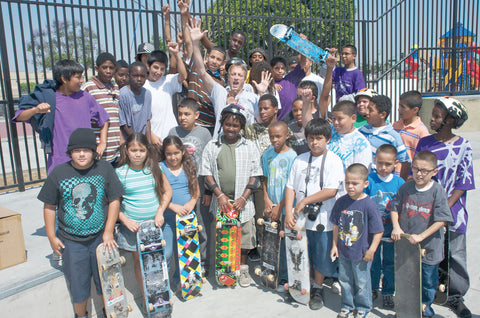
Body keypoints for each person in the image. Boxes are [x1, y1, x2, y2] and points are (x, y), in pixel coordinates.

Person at [37, 128, 124, 318]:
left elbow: (114, 200)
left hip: (101, 239)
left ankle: (109, 313)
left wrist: (108, 231)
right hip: (72, 242)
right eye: (77, 151)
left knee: (107, 282)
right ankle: (81, 315)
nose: (82, 154)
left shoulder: (104, 169)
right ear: (70, 152)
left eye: (86, 150)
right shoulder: (59, 173)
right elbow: (49, 206)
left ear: (94, 151)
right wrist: (52, 236)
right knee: (78, 286)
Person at [415, 97, 474, 318]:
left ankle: (456, 296)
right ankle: (425, 295)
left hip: (453, 212)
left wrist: (445, 208)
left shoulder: (463, 146)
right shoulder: (425, 143)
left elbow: (463, 182)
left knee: (455, 254)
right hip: (426, 210)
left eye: (437, 116)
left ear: (450, 120)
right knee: (428, 253)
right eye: (433, 114)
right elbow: (417, 175)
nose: (432, 119)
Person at [284, 118, 344, 310]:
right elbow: (290, 186)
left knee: (321, 256)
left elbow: (331, 190)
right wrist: (288, 212)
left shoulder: (334, 161)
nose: (314, 142)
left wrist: (304, 201)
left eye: (319, 138)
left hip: (323, 219)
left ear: (327, 138)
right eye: (310, 138)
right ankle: (302, 286)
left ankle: (318, 288)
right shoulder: (299, 159)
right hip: (300, 219)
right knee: (300, 253)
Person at [200, 104, 263, 287]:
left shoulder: (250, 146)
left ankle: (243, 270)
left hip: (243, 203)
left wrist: (244, 197)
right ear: (222, 124)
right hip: (223, 203)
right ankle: (226, 270)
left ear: (241, 127)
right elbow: (207, 173)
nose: (231, 129)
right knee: (225, 236)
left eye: (235, 126)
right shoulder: (212, 146)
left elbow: (255, 174)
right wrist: (218, 195)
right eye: (227, 124)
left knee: (244, 236)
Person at [13, 60, 109, 174]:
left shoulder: (86, 97)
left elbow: (104, 119)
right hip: (60, 160)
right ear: (64, 79)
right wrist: (36, 110)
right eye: (78, 77)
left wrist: (102, 143)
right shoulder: (49, 97)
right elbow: (19, 117)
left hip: (85, 162)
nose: (81, 81)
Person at [391, 150, 453, 318]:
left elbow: (442, 220)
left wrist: (421, 236)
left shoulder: (437, 191)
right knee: (405, 280)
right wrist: (396, 227)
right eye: (416, 168)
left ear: (434, 172)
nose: (419, 173)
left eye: (424, 170)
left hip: (429, 248)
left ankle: (425, 309)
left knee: (427, 282)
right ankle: (405, 309)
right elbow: (394, 208)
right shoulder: (406, 187)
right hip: (407, 248)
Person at [115, 133, 172, 311]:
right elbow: (112, 202)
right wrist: (124, 219)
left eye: (141, 150)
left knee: (157, 261)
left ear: (147, 151)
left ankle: (159, 295)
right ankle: (148, 300)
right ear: (126, 150)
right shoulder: (119, 173)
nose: (137, 154)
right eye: (133, 150)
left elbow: (167, 192)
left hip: (154, 226)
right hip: (134, 229)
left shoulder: (154, 168)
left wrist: (160, 212)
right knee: (140, 262)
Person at [189, 17, 269, 138]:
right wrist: (195, 43)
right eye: (233, 74)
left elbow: (261, 121)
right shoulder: (219, 92)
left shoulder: (253, 97)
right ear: (229, 77)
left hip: (244, 149)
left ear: (244, 78)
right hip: (221, 146)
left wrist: (262, 94)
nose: (236, 78)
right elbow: (202, 71)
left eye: (240, 75)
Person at [330, 163, 384, 318]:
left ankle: (363, 307)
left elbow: (378, 231)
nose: (350, 186)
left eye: (355, 183)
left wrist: (372, 250)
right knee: (344, 280)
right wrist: (334, 245)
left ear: (365, 184)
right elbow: (336, 225)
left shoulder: (369, 205)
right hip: (344, 250)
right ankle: (347, 305)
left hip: (361, 253)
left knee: (362, 282)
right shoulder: (341, 201)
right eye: (347, 183)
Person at [168, 97, 212, 273]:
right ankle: (186, 262)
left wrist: (207, 190)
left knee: (201, 224)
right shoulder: (173, 131)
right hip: (180, 183)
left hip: (199, 181)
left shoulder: (204, 133)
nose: (183, 118)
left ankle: (203, 263)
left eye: (187, 114)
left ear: (197, 115)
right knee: (184, 224)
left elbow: (209, 162)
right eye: (180, 114)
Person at [365, 144, 405, 309]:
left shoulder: (399, 182)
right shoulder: (369, 180)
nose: (383, 167)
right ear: (374, 160)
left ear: (395, 163)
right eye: (380, 162)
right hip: (373, 228)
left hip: (391, 228)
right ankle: (373, 288)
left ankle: (388, 291)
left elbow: (403, 207)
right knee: (372, 259)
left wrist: (399, 227)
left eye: (388, 164)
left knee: (389, 261)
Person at [159, 136, 200, 285]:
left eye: (176, 153)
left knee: (184, 253)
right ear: (164, 153)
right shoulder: (160, 167)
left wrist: (191, 202)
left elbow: (196, 192)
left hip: (186, 218)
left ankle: (181, 282)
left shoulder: (189, 166)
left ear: (182, 152)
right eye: (169, 154)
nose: (173, 157)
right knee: (167, 253)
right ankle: (164, 285)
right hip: (167, 219)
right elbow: (157, 193)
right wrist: (171, 206)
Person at [262, 121, 297, 289]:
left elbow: (292, 186)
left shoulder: (293, 157)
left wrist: (280, 207)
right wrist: (267, 200)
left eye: (278, 136)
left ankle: (285, 276)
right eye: (271, 136)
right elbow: (265, 179)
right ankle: (272, 272)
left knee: (285, 241)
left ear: (287, 136)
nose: (274, 139)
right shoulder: (267, 155)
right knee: (271, 241)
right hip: (271, 205)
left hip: (286, 207)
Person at [82, 52, 122, 165]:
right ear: (97, 68)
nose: (108, 71)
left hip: (115, 149)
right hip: (99, 149)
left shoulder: (115, 87)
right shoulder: (88, 87)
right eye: (104, 67)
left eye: (111, 68)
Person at [358, 95, 409, 179]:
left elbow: (405, 162)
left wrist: (400, 183)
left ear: (382, 114)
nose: (367, 113)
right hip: (361, 180)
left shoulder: (393, 137)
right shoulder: (362, 131)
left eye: (371, 110)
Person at [144, 48, 187, 145]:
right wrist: (151, 134)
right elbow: (141, 116)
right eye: (155, 67)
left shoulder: (168, 81)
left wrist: (176, 54)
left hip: (172, 137)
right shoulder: (142, 86)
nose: (158, 72)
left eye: (162, 69)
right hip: (154, 140)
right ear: (148, 66)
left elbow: (183, 76)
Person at [328, 100, 372, 171]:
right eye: (334, 118)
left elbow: (361, 173)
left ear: (353, 118)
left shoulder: (361, 144)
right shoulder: (328, 131)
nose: (336, 122)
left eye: (340, 119)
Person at [392, 90, 430, 163]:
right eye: (399, 106)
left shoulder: (421, 131)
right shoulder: (395, 125)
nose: (399, 109)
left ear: (415, 110)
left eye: (403, 107)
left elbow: (423, 156)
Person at [118, 62, 152, 141]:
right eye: (135, 76)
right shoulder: (123, 94)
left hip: (142, 141)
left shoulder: (147, 94)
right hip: (130, 140)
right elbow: (124, 125)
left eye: (142, 76)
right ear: (129, 76)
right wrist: (138, 142)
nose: (139, 79)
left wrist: (149, 144)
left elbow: (147, 121)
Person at [271, 56, 307, 121]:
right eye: (277, 68)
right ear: (271, 69)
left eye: (282, 68)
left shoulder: (291, 79)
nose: (280, 71)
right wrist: (271, 86)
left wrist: (303, 48)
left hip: (292, 122)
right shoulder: (267, 83)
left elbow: (303, 64)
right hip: (276, 124)